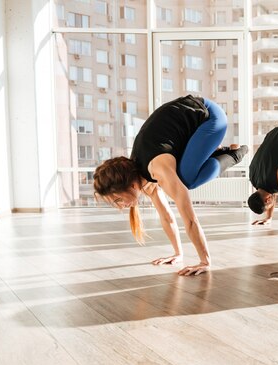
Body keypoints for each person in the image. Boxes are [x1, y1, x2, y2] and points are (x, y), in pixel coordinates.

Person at [93, 95, 248, 276]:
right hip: (189, 127)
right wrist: (178, 254)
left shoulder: (159, 169)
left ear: (132, 186)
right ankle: (216, 151)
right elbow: (167, 217)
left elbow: (190, 219)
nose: (120, 206)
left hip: (209, 115)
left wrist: (205, 261)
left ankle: (235, 154)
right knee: (183, 175)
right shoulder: (142, 177)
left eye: (118, 199)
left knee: (186, 180)